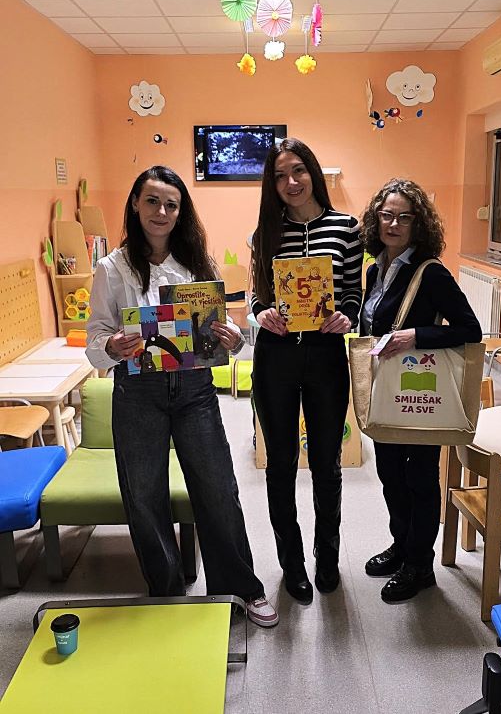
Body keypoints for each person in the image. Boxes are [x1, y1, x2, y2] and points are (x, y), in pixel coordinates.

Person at [86, 165, 278, 628]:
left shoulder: (196, 261)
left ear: (181, 211)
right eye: (152, 201)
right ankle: (166, 591)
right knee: (143, 495)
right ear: (135, 204)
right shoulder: (111, 268)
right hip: (137, 391)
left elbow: (218, 324)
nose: (162, 212)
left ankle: (240, 590)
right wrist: (112, 345)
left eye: (171, 204)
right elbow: (95, 339)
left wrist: (233, 336)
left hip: (194, 389)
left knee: (218, 489)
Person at [250, 138, 362, 604]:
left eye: (298, 170)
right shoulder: (264, 232)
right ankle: (291, 563)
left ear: (313, 172)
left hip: (325, 357)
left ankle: (327, 557)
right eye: (279, 175)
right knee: (279, 464)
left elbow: (354, 293)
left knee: (326, 464)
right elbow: (256, 295)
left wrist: (347, 316)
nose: (291, 182)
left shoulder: (346, 228)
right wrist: (260, 313)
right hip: (275, 356)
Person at [359, 178, 481, 603]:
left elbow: (470, 329)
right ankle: (401, 545)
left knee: (420, 477)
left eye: (404, 217)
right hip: (388, 389)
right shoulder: (375, 269)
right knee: (390, 473)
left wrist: (416, 336)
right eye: (386, 215)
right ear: (376, 220)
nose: (393, 224)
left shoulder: (431, 273)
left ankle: (420, 565)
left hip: (422, 393)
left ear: (418, 224)